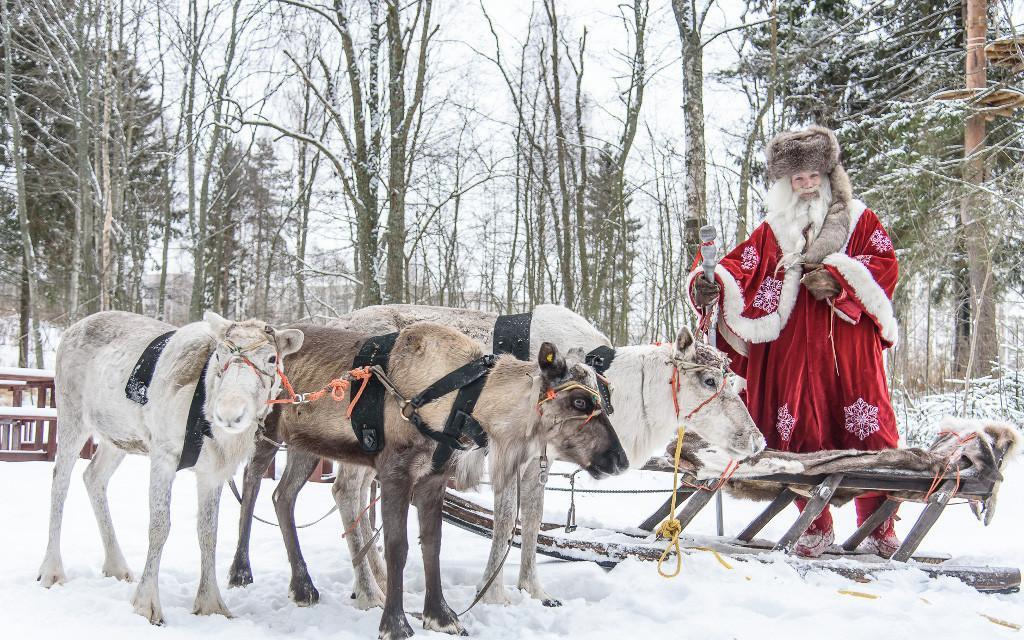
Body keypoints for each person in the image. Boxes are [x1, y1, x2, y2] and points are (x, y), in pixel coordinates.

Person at [688, 125, 901, 557]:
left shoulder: (860, 219)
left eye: (813, 177)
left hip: (849, 348)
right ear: (786, 184)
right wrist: (707, 284)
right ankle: (815, 525)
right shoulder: (772, 230)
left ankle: (879, 528)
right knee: (800, 432)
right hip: (793, 355)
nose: (805, 186)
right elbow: (737, 267)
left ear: (827, 176)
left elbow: (884, 263)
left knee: (869, 431)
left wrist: (840, 279)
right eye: (796, 179)